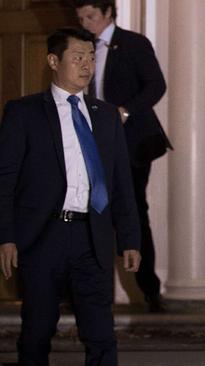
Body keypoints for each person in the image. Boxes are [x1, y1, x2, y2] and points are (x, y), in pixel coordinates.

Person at [0, 27, 141, 365]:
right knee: (37, 332)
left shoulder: (106, 115)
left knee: (101, 335)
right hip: (42, 237)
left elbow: (121, 182)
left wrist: (130, 238)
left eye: (91, 57)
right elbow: (5, 179)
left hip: (91, 238)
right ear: (53, 60)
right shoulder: (25, 112)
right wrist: (6, 237)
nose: (87, 65)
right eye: (78, 57)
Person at [74, 0, 172, 312]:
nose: (85, 22)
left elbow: (156, 85)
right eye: (81, 18)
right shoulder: (81, 46)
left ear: (107, 13)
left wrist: (125, 111)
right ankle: (82, 290)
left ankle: (150, 292)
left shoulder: (133, 43)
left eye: (90, 16)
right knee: (85, 211)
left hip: (131, 143)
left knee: (133, 212)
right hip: (92, 142)